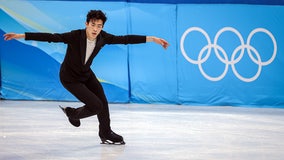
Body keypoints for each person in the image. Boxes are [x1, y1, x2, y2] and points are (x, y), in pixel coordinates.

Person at [3, 10, 169, 145]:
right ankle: (72, 114)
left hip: (86, 74)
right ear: (86, 24)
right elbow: (51, 37)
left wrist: (152, 39)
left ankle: (105, 132)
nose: (96, 29)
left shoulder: (103, 37)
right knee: (96, 105)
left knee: (102, 102)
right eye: (93, 24)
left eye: (99, 26)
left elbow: (125, 39)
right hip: (69, 77)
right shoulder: (75, 36)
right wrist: (21, 35)